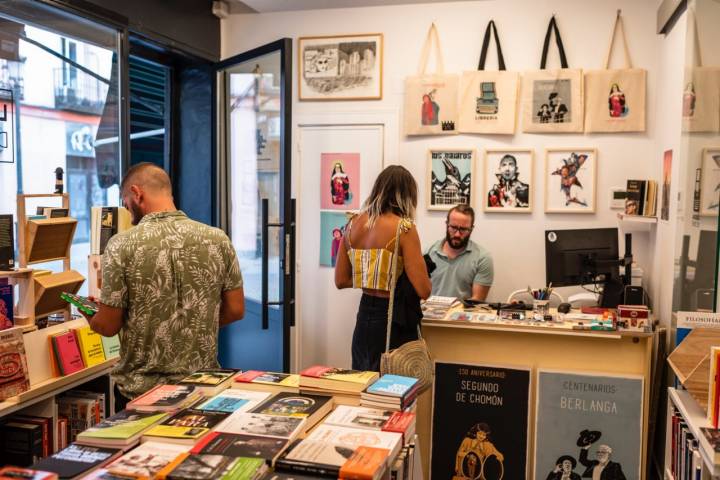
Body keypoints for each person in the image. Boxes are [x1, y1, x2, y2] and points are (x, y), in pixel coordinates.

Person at [83, 162, 245, 412]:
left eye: (125, 200)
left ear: (137, 193)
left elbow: (108, 325)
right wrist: (191, 325)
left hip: (142, 393)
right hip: (203, 387)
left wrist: (90, 316)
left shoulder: (121, 245)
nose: (126, 209)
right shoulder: (217, 239)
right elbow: (235, 309)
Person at [334, 165, 431, 371]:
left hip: (364, 316)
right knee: (393, 387)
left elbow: (341, 280)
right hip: (392, 318)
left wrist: (370, 277)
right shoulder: (404, 228)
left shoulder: (352, 225)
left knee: (363, 382)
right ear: (407, 195)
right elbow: (424, 290)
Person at [426, 205, 493, 301]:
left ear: (471, 229)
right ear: (446, 224)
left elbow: (477, 301)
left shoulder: (482, 258)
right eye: (453, 227)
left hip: (462, 315)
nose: (457, 234)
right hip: (430, 313)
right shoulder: (427, 253)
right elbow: (418, 294)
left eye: (463, 229)